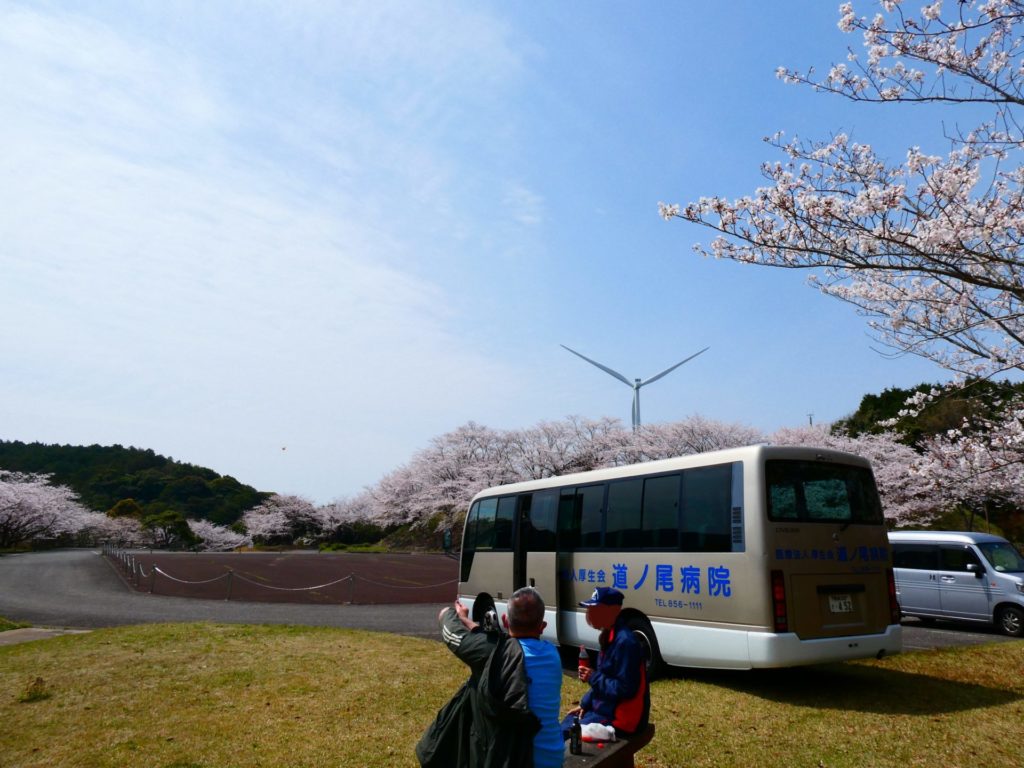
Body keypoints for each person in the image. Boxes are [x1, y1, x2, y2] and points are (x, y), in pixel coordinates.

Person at [416, 587, 563, 768]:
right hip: (552, 760)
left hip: (514, 761)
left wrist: (450, 613)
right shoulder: (552, 654)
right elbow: (502, 644)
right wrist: (468, 621)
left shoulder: (493, 655)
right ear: (543, 626)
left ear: (505, 621)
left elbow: (454, 634)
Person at [563, 587, 650, 741]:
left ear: (613, 611)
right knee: (565, 723)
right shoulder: (610, 636)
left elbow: (626, 689)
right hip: (605, 711)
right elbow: (605, 677)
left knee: (562, 735)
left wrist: (592, 677)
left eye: (595, 610)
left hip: (621, 722)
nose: (589, 615)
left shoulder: (625, 643)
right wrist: (585, 704)